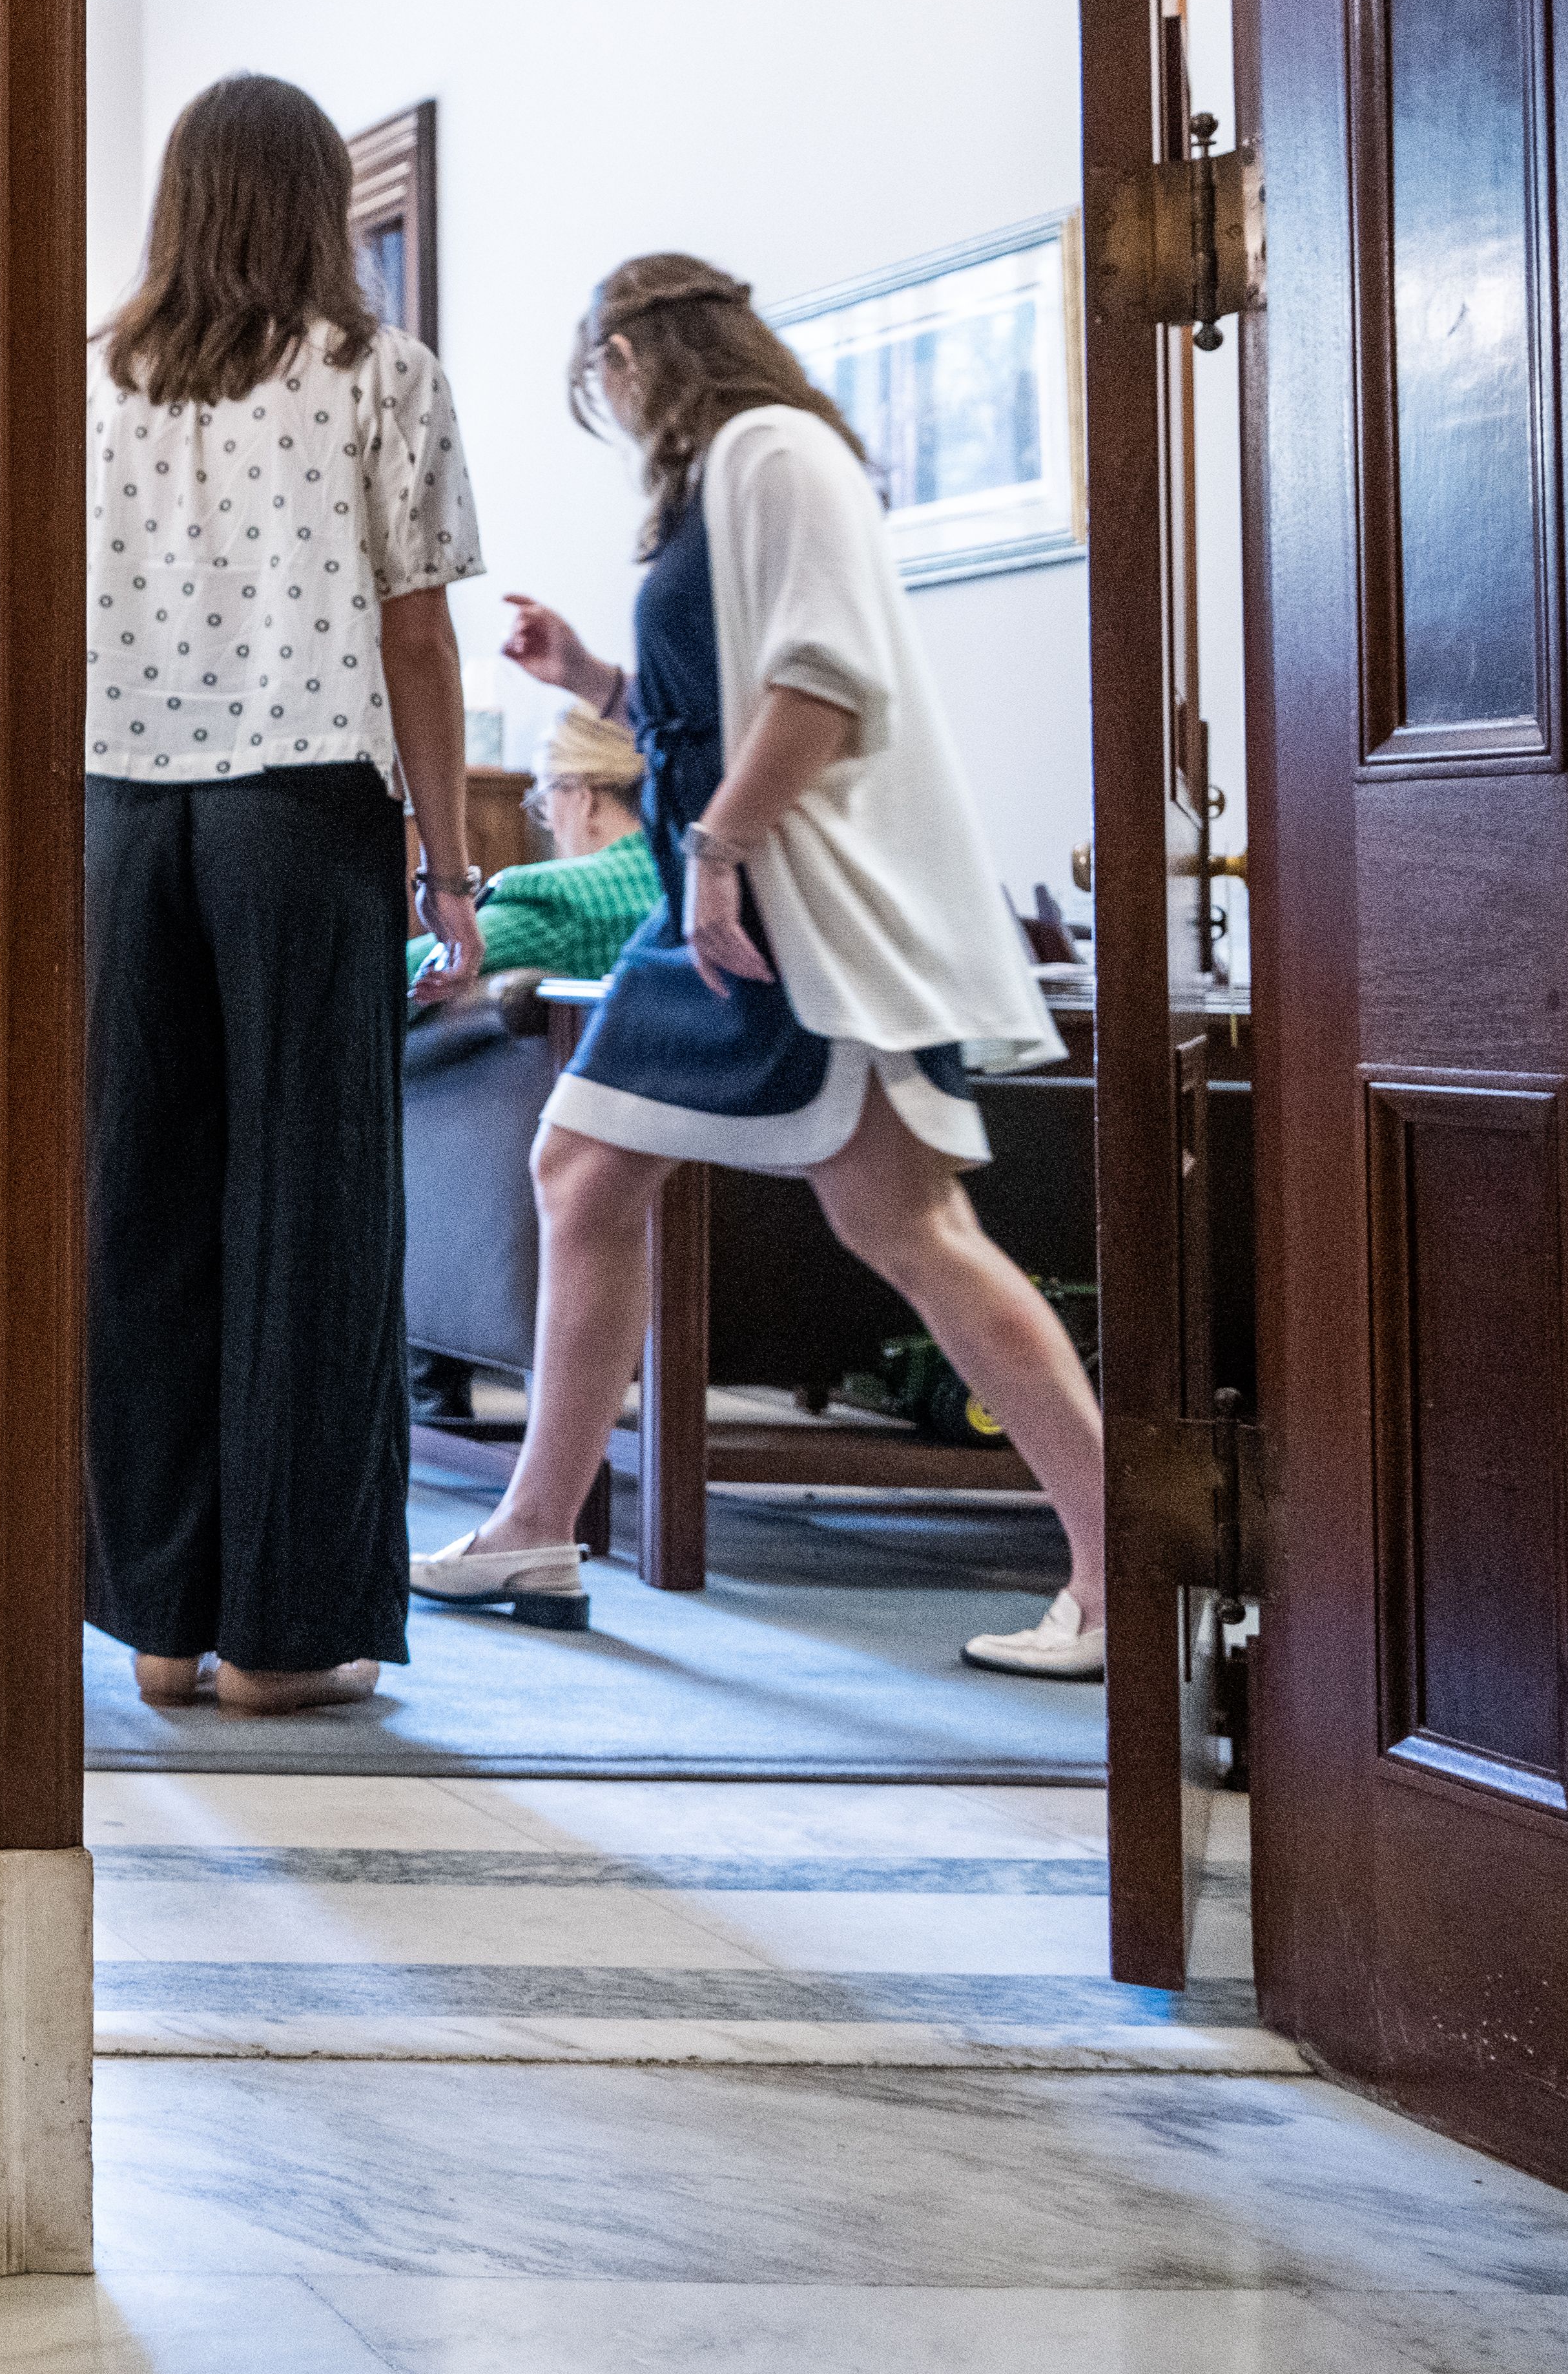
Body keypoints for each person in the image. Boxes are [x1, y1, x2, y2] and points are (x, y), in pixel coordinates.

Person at [407, 254, 1113, 1677]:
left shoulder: (775, 452)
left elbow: (821, 690)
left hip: (792, 911)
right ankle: (537, 1525)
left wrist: (723, 851)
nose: (606, 403)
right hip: (719, 904)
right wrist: (594, 682)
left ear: (637, 354)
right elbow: (713, 708)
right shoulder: (729, 479)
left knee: (909, 1229)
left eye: (599, 377)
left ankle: (1118, 1574)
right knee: (583, 1167)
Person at [87, 74, 489, 1717]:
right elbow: (414, 637)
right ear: (319, 204)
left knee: (143, 1210)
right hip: (301, 813)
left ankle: (159, 1627)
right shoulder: (378, 377)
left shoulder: (93, 383)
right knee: (308, 1215)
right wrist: (452, 869)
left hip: (115, 817)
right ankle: (285, 1632)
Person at [449, 701, 665, 987]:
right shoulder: (686, 879)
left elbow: (400, 973)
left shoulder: (563, 898)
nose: (549, 823)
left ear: (583, 799)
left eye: (544, 800)